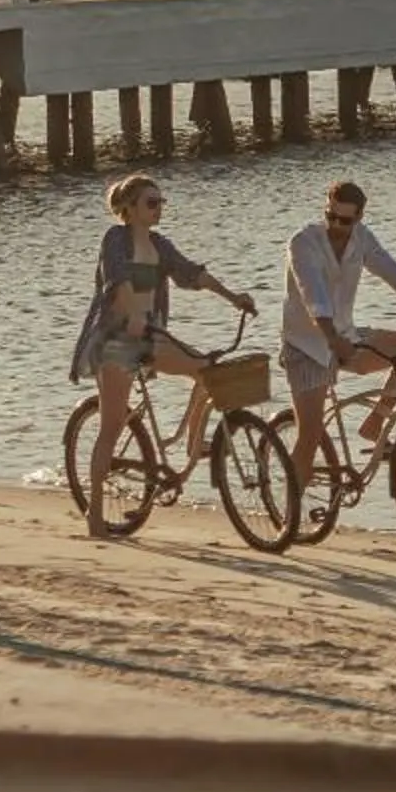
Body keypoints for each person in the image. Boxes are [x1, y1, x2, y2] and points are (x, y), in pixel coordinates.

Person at [72, 174, 256, 538]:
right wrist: (133, 314)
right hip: (116, 340)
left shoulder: (160, 245)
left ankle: (191, 445)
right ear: (129, 209)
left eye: (161, 203)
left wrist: (234, 297)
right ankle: (95, 515)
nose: (158, 209)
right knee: (111, 427)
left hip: (152, 337)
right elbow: (118, 282)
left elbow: (192, 275)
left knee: (208, 371)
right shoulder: (115, 240)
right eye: (151, 203)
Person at [280, 179, 396, 511]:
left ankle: (375, 422)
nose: (336, 226)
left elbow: (394, 273)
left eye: (344, 221)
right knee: (310, 434)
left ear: (359, 218)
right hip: (306, 344)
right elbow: (312, 294)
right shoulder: (303, 242)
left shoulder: (361, 239)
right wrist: (333, 341)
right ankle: (286, 515)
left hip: (347, 335)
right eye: (330, 216)